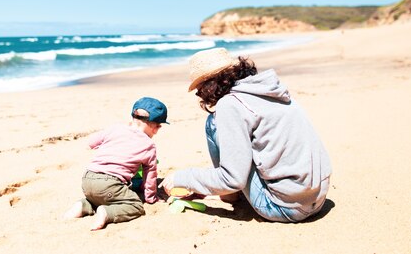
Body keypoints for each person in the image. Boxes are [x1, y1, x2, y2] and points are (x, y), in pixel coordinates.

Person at [160, 48, 331, 223]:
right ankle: (228, 191)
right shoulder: (272, 90)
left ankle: (229, 196)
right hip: (318, 197)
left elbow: (233, 179)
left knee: (213, 123)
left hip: (285, 207)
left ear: (210, 84)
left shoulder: (230, 104)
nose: (199, 94)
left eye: (200, 88)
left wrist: (182, 178)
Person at [64, 97, 168, 230]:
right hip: (110, 183)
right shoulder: (149, 145)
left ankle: (83, 206)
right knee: (135, 205)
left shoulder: (115, 128)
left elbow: (91, 143)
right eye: (158, 126)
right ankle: (107, 213)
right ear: (152, 125)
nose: (158, 130)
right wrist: (151, 198)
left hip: (88, 179)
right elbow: (150, 175)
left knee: (104, 196)